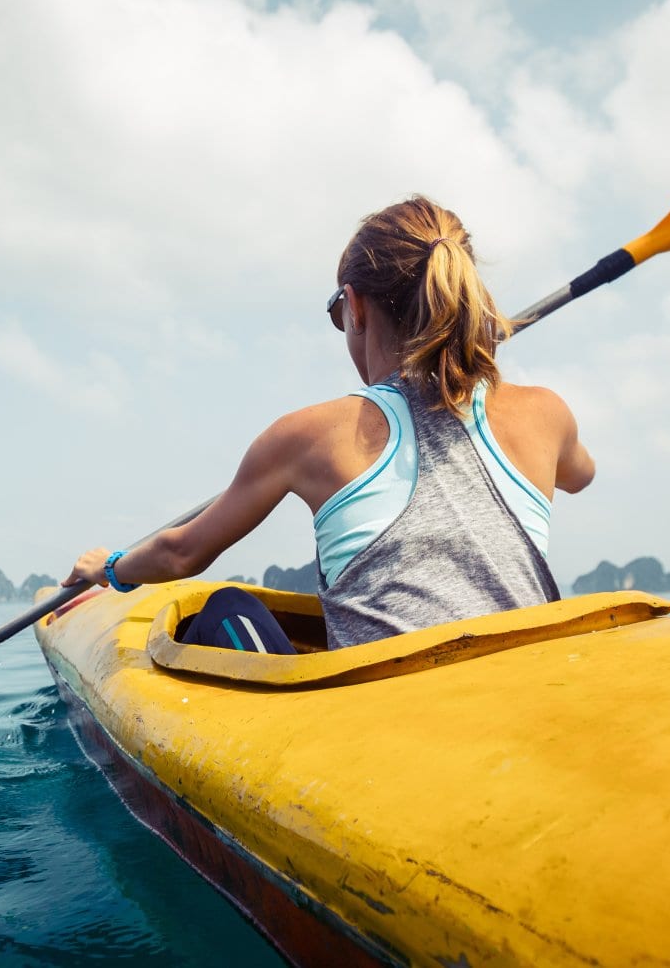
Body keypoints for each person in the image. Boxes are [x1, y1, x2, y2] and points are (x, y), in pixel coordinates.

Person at [63, 196, 595, 652]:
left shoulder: (307, 436)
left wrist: (107, 568)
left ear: (355, 307)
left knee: (224, 606)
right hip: (527, 684)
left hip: (387, 717)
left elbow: (182, 552)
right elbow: (579, 475)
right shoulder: (546, 413)